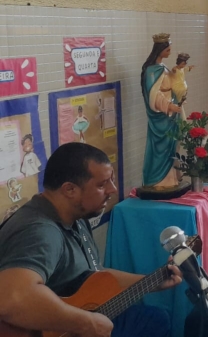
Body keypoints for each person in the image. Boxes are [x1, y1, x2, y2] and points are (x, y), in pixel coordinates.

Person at [0, 143, 182, 337]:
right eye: (102, 185)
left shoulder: (77, 216)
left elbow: (93, 275)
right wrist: (85, 323)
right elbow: (11, 299)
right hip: (64, 327)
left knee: (154, 319)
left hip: (77, 318)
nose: (113, 189)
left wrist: (153, 282)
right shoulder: (40, 232)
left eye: (111, 181)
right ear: (70, 189)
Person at [141, 33, 182, 187]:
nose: (170, 52)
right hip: (161, 116)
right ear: (160, 50)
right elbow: (154, 95)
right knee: (161, 148)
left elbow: (171, 84)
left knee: (171, 147)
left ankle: (171, 180)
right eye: (167, 50)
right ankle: (158, 181)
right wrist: (169, 106)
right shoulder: (152, 71)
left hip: (170, 116)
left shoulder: (162, 67)